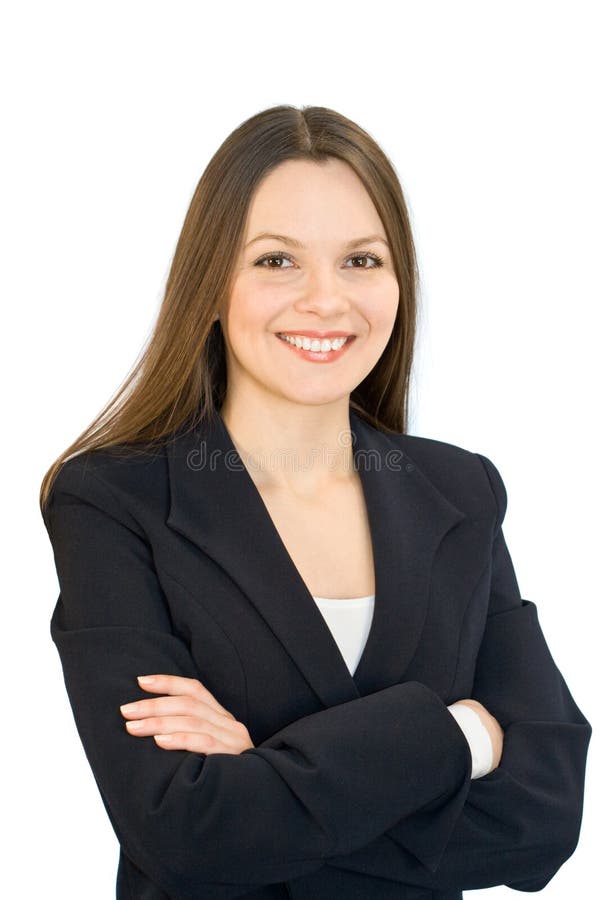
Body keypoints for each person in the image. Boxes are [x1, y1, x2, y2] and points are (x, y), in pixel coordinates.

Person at [40, 104, 591, 900]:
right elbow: (185, 836)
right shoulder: (111, 503)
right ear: (213, 283)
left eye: (361, 262)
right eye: (277, 261)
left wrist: (265, 777)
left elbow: (545, 817)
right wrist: (460, 734)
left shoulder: (461, 492)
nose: (327, 301)